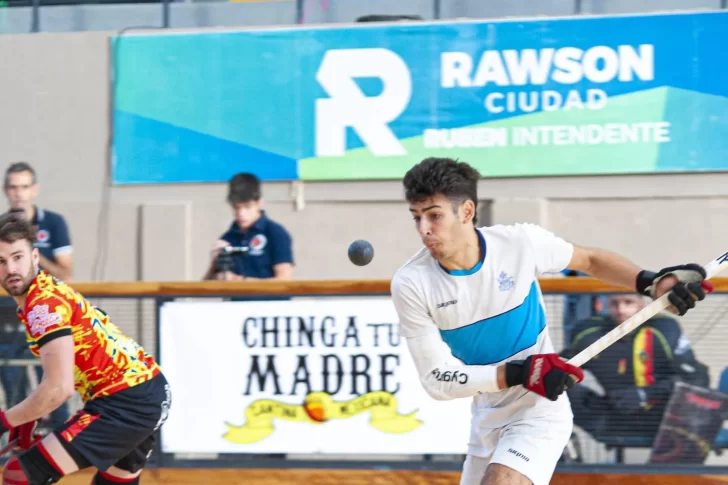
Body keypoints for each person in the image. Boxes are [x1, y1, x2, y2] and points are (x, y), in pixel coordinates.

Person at [389, 157, 710, 485]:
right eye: (416, 217)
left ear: (467, 212)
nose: (424, 229)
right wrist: (521, 372)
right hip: (486, 416)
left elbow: (590, 259)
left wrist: (652, 283)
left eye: (434, 215)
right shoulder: (412, 283)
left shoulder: (519, 244)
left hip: (539, 410)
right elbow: (437, 382)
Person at [0, 212, 171, 485]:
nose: (11, 269)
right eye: (1, 261)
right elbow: (58, 375)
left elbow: (60, 389)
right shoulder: (44, 292)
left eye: (17, 257)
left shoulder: (42, 306)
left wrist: (5, 420)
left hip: (125, 401)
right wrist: (27, 417)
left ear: (34, 257)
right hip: (145, 391)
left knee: (20, 474)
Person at [563, 293, 709, 441]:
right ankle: (559, 449)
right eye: (614, 303)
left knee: (692, 394)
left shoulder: (664, 328)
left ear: (642, 304)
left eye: (628, 302)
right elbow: (562, 366)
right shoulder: (589, 332)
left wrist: (645, 394)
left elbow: (697, 378)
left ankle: (678, 457)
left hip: (663, 416)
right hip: (613, 415)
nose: (621, 310)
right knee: (552, 382)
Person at [204, 172, 293, 281]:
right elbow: (207, 288)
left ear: (259, 203)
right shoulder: (229, 238)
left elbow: (284, 280)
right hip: (236, 298)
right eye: (236, 207)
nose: (241, 213)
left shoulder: (275, 233)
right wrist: (214, 265)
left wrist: (241, 281)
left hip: (267, 298)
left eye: (247, 207)